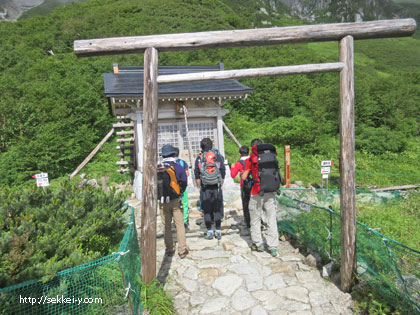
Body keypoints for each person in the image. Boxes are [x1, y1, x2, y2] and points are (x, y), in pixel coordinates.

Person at [241, 139, 280, 257]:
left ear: (253, 148)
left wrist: (242, 174)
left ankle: (258, 244)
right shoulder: (273, 156)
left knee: (255, 218)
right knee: (271, 218)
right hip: (271, 190)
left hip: (256, 192)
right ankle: (273, 247)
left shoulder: (251, 159)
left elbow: (243, 177)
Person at [158, 144, 189, 259]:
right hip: (175, 200)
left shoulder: (158, 167)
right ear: (173, 154)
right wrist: (180, 191)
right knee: (180, 225)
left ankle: (169, 249)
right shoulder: (177, 167)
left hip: (162, 201)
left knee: (166, 226)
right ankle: (182, 250)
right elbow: (184, 182)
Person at [194, 138, 225, 240]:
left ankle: (209, 232)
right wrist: (220, 184)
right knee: (217, 209)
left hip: (205, 187)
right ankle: (218, 231)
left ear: (201, 147)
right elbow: (223, 170)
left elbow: (197, 175)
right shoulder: (217, 156)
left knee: (207, 210)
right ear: (211, 146)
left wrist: (199, 187)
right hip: (216, 186)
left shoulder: (199, 158)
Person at [230, 145, 251, 230]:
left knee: (246, 205)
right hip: (254, 185)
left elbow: (233, 175)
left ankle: (248, 223)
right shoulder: (252, 160)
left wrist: (232, 168)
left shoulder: (239, 163)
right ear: (248, 152)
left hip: (244, 186)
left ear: (240, 154)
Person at [174, 147, 190, 230]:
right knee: (185, 203)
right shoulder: (183, 163)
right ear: (178, 153)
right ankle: (184, 221)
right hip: (182, 186)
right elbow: (187, 174)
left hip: (173, 187)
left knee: (174, 204)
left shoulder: (169, 163)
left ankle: (175, 221)